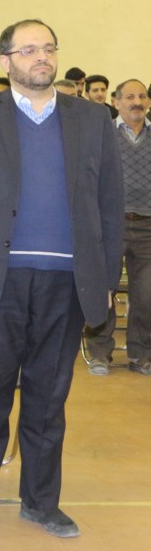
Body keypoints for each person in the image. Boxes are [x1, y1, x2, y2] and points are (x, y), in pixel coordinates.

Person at [0, 19, 123, 538]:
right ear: (5, 61)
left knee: (49, 397)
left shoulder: (92, 119)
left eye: (47, 48)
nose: (40, 57)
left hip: (67, 280)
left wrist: (106, 276)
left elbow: (110, 204)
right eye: (28, 50)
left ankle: (41, 503)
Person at [85, 78, 151, 377]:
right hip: (109, 225)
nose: (137, 102)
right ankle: (100, 353)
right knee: (103, 290)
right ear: (116, 101)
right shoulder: (103, 135)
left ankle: (141, 355)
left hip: (148, 227)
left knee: (146, 296)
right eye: (130, 97)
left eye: (142, 96)